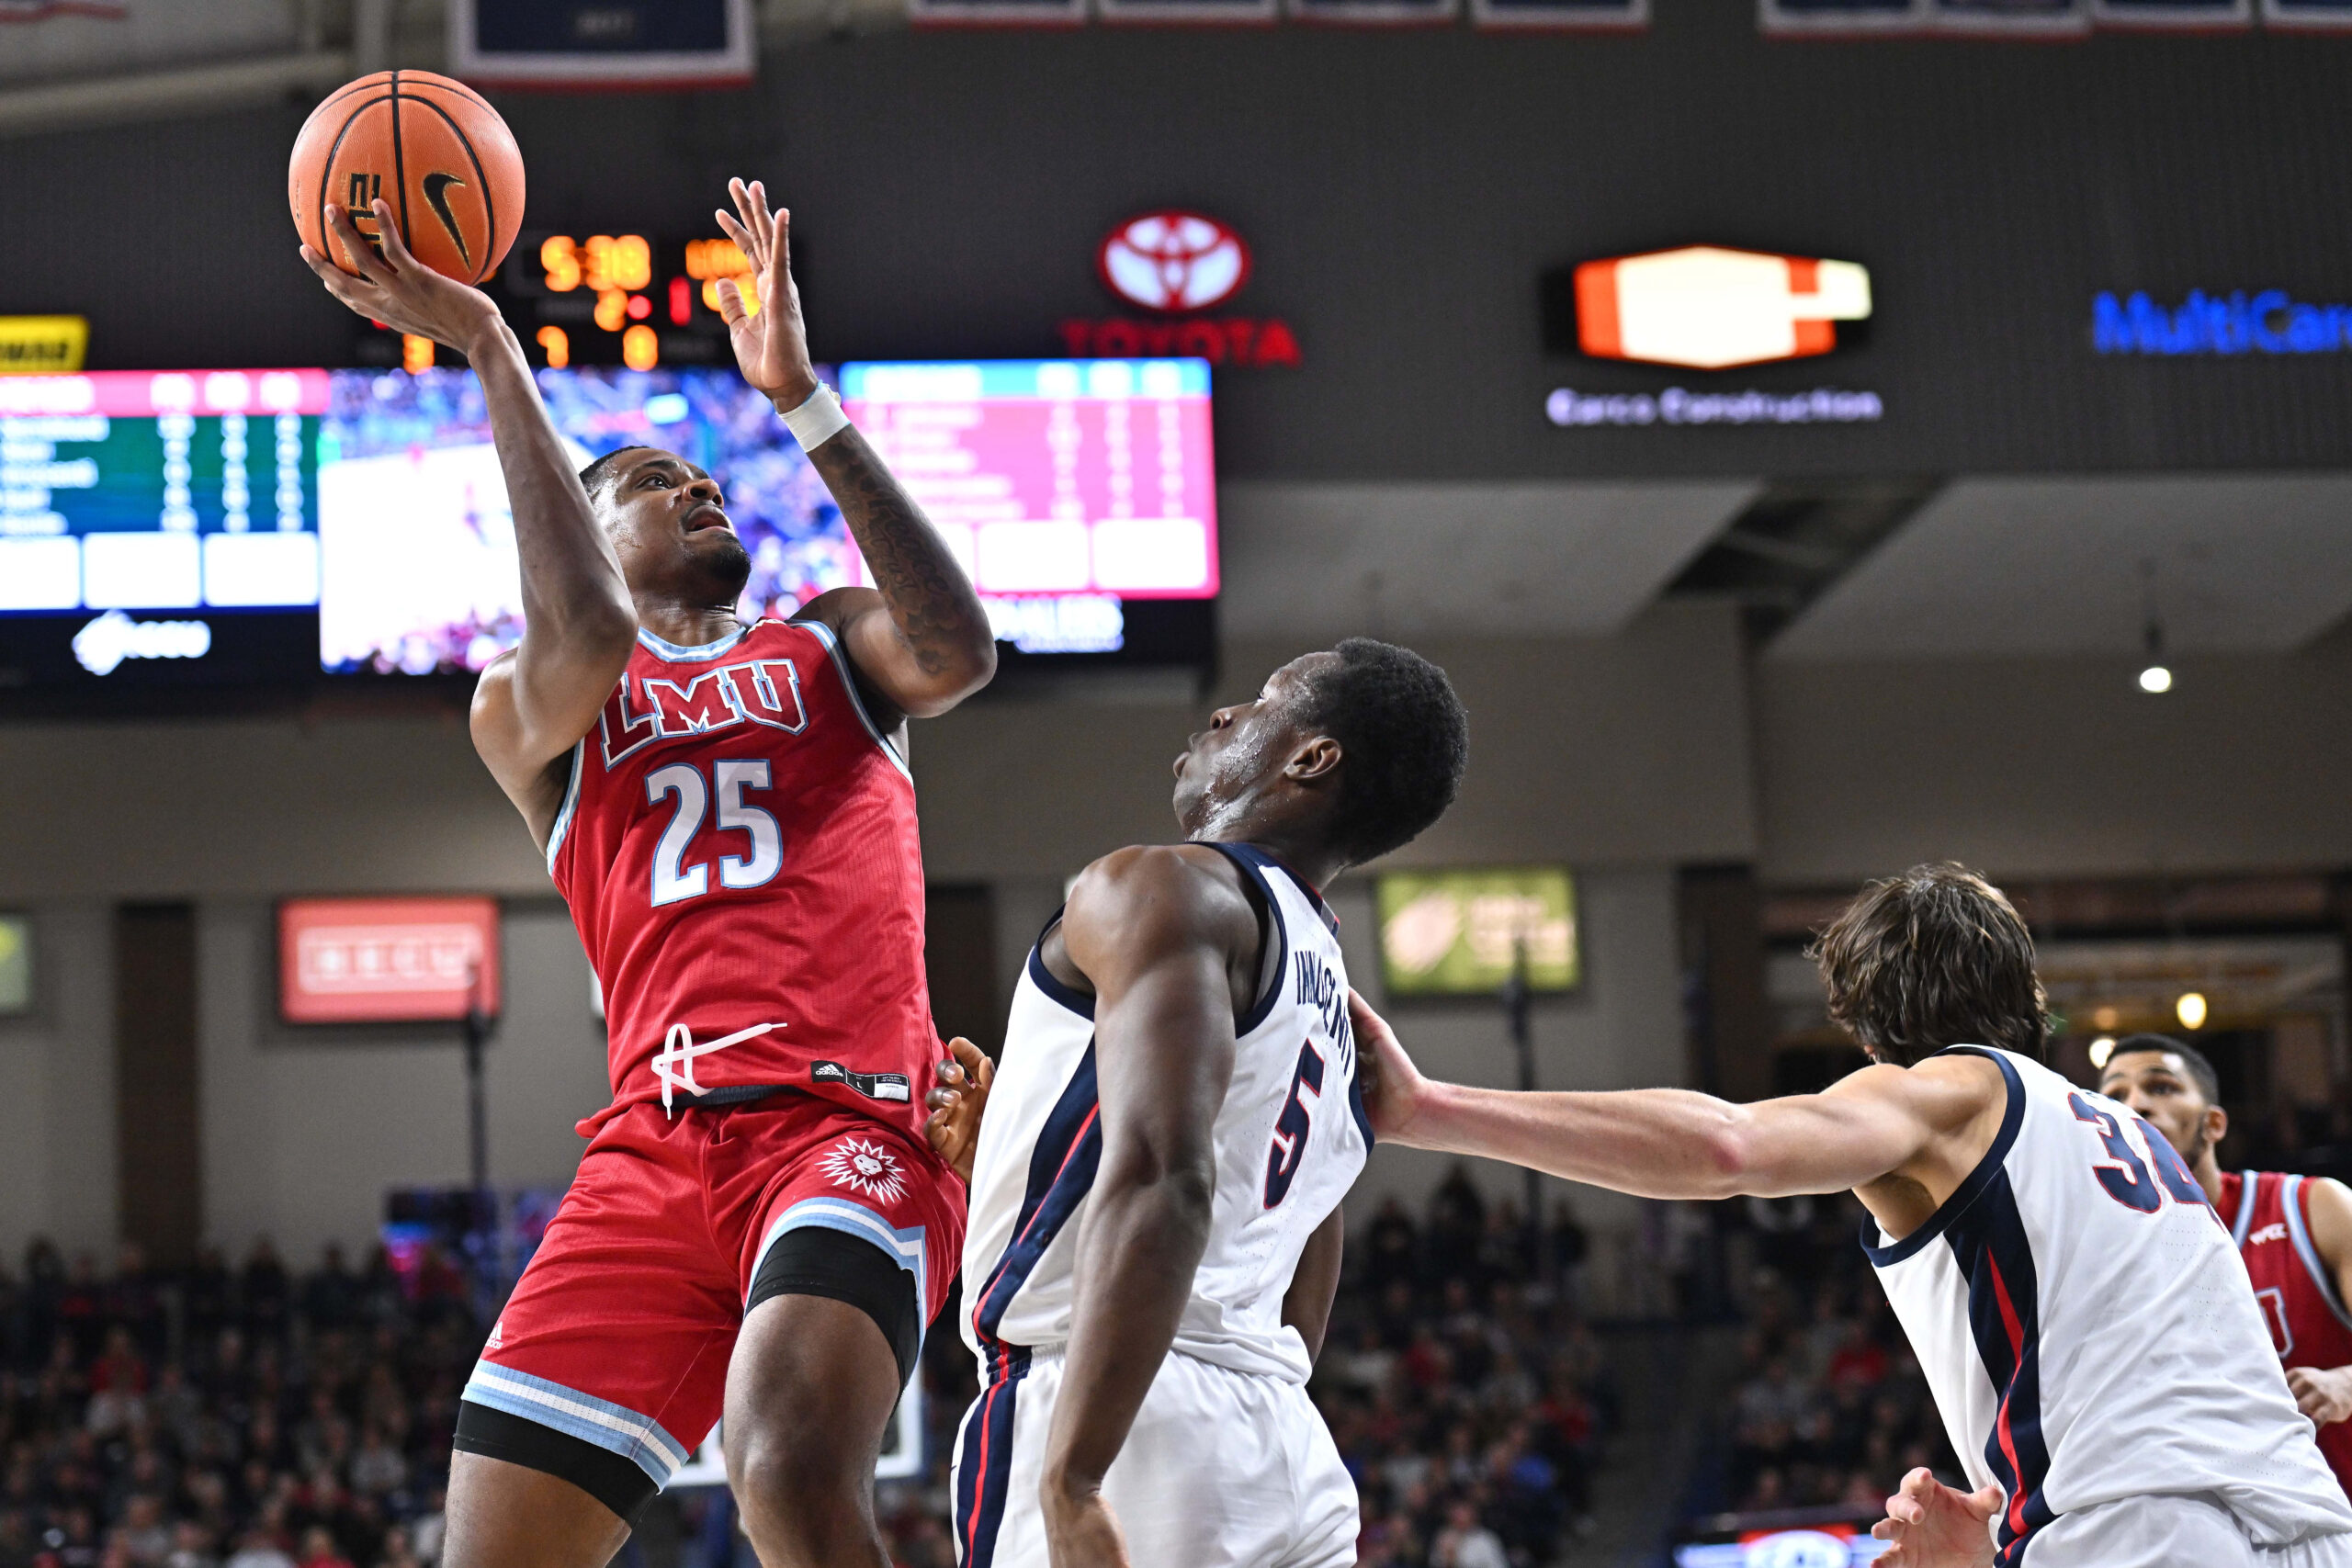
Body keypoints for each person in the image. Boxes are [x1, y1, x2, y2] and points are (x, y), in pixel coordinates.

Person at [299, 176, 997, 1568]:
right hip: (647, 1155)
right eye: (652, 488)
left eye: (709, 478)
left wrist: (806, 406)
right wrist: (493, 344)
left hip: (843, 1127)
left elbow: (962, 652)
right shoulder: (531, 705)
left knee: (789, 1468)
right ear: (589, 531)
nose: (696, 487)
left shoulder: (832, 646)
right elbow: (584, 628)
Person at [1351, 863, 2352, 1568]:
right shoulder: (2125, 1133)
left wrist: (1428, 1108)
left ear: (1867, 1031)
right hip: (2309, 1519)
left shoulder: (1944, 1091)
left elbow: (1726, 1148)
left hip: (2146, 1527)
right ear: (2024, 989)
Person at [931, 640, 1469, 1568]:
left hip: (1116, 1408)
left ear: (1313, 758)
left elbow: (1165, 1178)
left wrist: (1074, 1475)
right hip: (1277, 1439)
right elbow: (1289, 1246)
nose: (1224, 717)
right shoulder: (1332, 998)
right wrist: (1009, 1176)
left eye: (1264, 704)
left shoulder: (1160, 886)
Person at [2100, 1034, 2352, 1495]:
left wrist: (2345, 1382)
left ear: (2213, 1124)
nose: (2134, 1104)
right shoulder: (2107, 1262)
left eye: (2160, 1087)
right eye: (2114, 1096)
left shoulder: (2311, 1206)